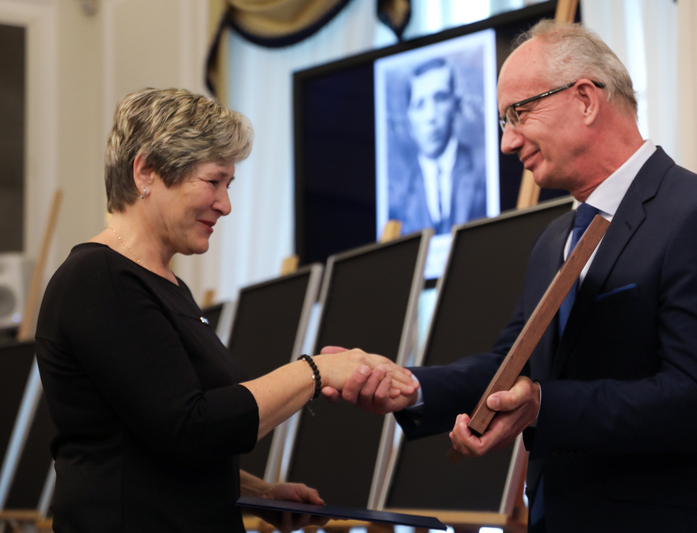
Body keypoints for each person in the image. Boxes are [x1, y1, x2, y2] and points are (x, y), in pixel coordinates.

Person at [332, 21, 697, 532]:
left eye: (518, 113)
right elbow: (510, 365)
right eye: (502, 122)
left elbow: (695, 404)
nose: (507, 143)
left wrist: (541, 405)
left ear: (585, 99)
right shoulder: (552, 240)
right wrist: (410, 386)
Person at [34, 88, 417, 533]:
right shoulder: (100, 279)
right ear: (146, 172)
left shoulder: (162, 286)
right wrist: (318, 371)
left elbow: (156, 445)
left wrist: (261, 494)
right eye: (213, 181)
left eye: (228, 186)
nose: (225, 205)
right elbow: (190, 429)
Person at [388, 57, 486, 235]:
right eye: (419, 105)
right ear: (408, 117)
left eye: (440, 98)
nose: (431, 116)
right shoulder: (398, 197)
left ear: (455, 104)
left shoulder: (483, 172)